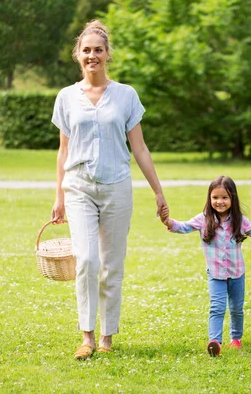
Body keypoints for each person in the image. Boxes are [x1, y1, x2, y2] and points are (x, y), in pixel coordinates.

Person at [50, 20, 168, 360]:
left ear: (107, 54)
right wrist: (58, 196)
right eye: (86, 50)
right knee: (87, 259)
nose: (92, 56)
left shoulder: (126, 95)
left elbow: (140, 148)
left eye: (98, 50)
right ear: (78, 55)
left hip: (117, 187)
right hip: (79, 188)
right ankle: (86, 335)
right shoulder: (66, 98)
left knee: (111, 265)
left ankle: (106, 335)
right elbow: (63, 150)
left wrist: (158, 192)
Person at [160, 176, 251, 357]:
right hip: (216, 275)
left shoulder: (239, 220)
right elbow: (184, 226)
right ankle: (215, 342)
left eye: (224, 197)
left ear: (232, 199)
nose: (219, 202)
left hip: (237, 274)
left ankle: (236, 338)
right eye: (215, 197)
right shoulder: (204, 219)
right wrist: (168, 221)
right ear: (209, 199)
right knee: (217, 307)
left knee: (236, 308)